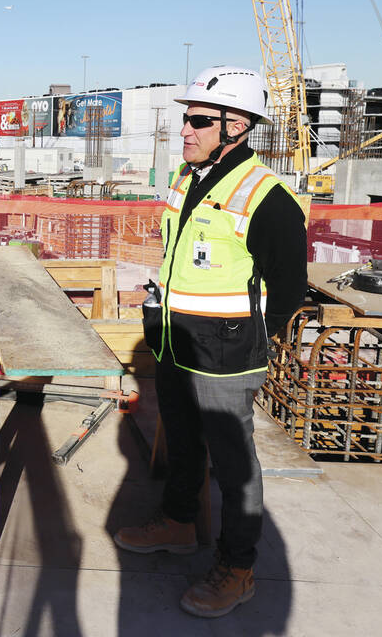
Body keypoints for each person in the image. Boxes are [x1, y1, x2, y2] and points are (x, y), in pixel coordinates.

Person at [113, 66, 307, 618]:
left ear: (237, 126)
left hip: (225, 353)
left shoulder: (266, 197)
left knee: (234, 464)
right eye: (186, 119)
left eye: (199, 120)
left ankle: (238, 567)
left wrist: (251, 340)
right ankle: (178, 522)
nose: (186, 130)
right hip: (177, 343)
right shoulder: (187, 177)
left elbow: (290, 289)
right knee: (181, 436)